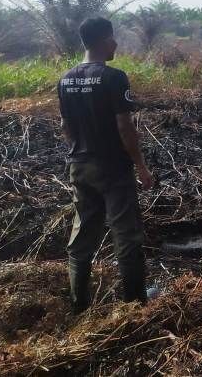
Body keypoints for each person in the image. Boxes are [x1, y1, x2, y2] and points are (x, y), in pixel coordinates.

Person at [58, 17, 154, 313]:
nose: (115, 43)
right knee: (126, 236)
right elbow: (125, 126)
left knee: (82, 237)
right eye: (112, 38)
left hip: (80, 166)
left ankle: (79, 306)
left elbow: (65, 126)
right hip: (113, 168)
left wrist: (80, 150)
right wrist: (141, 166)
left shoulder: (65, 79)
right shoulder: (113, 77)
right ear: (102, 41)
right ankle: (135, 307)